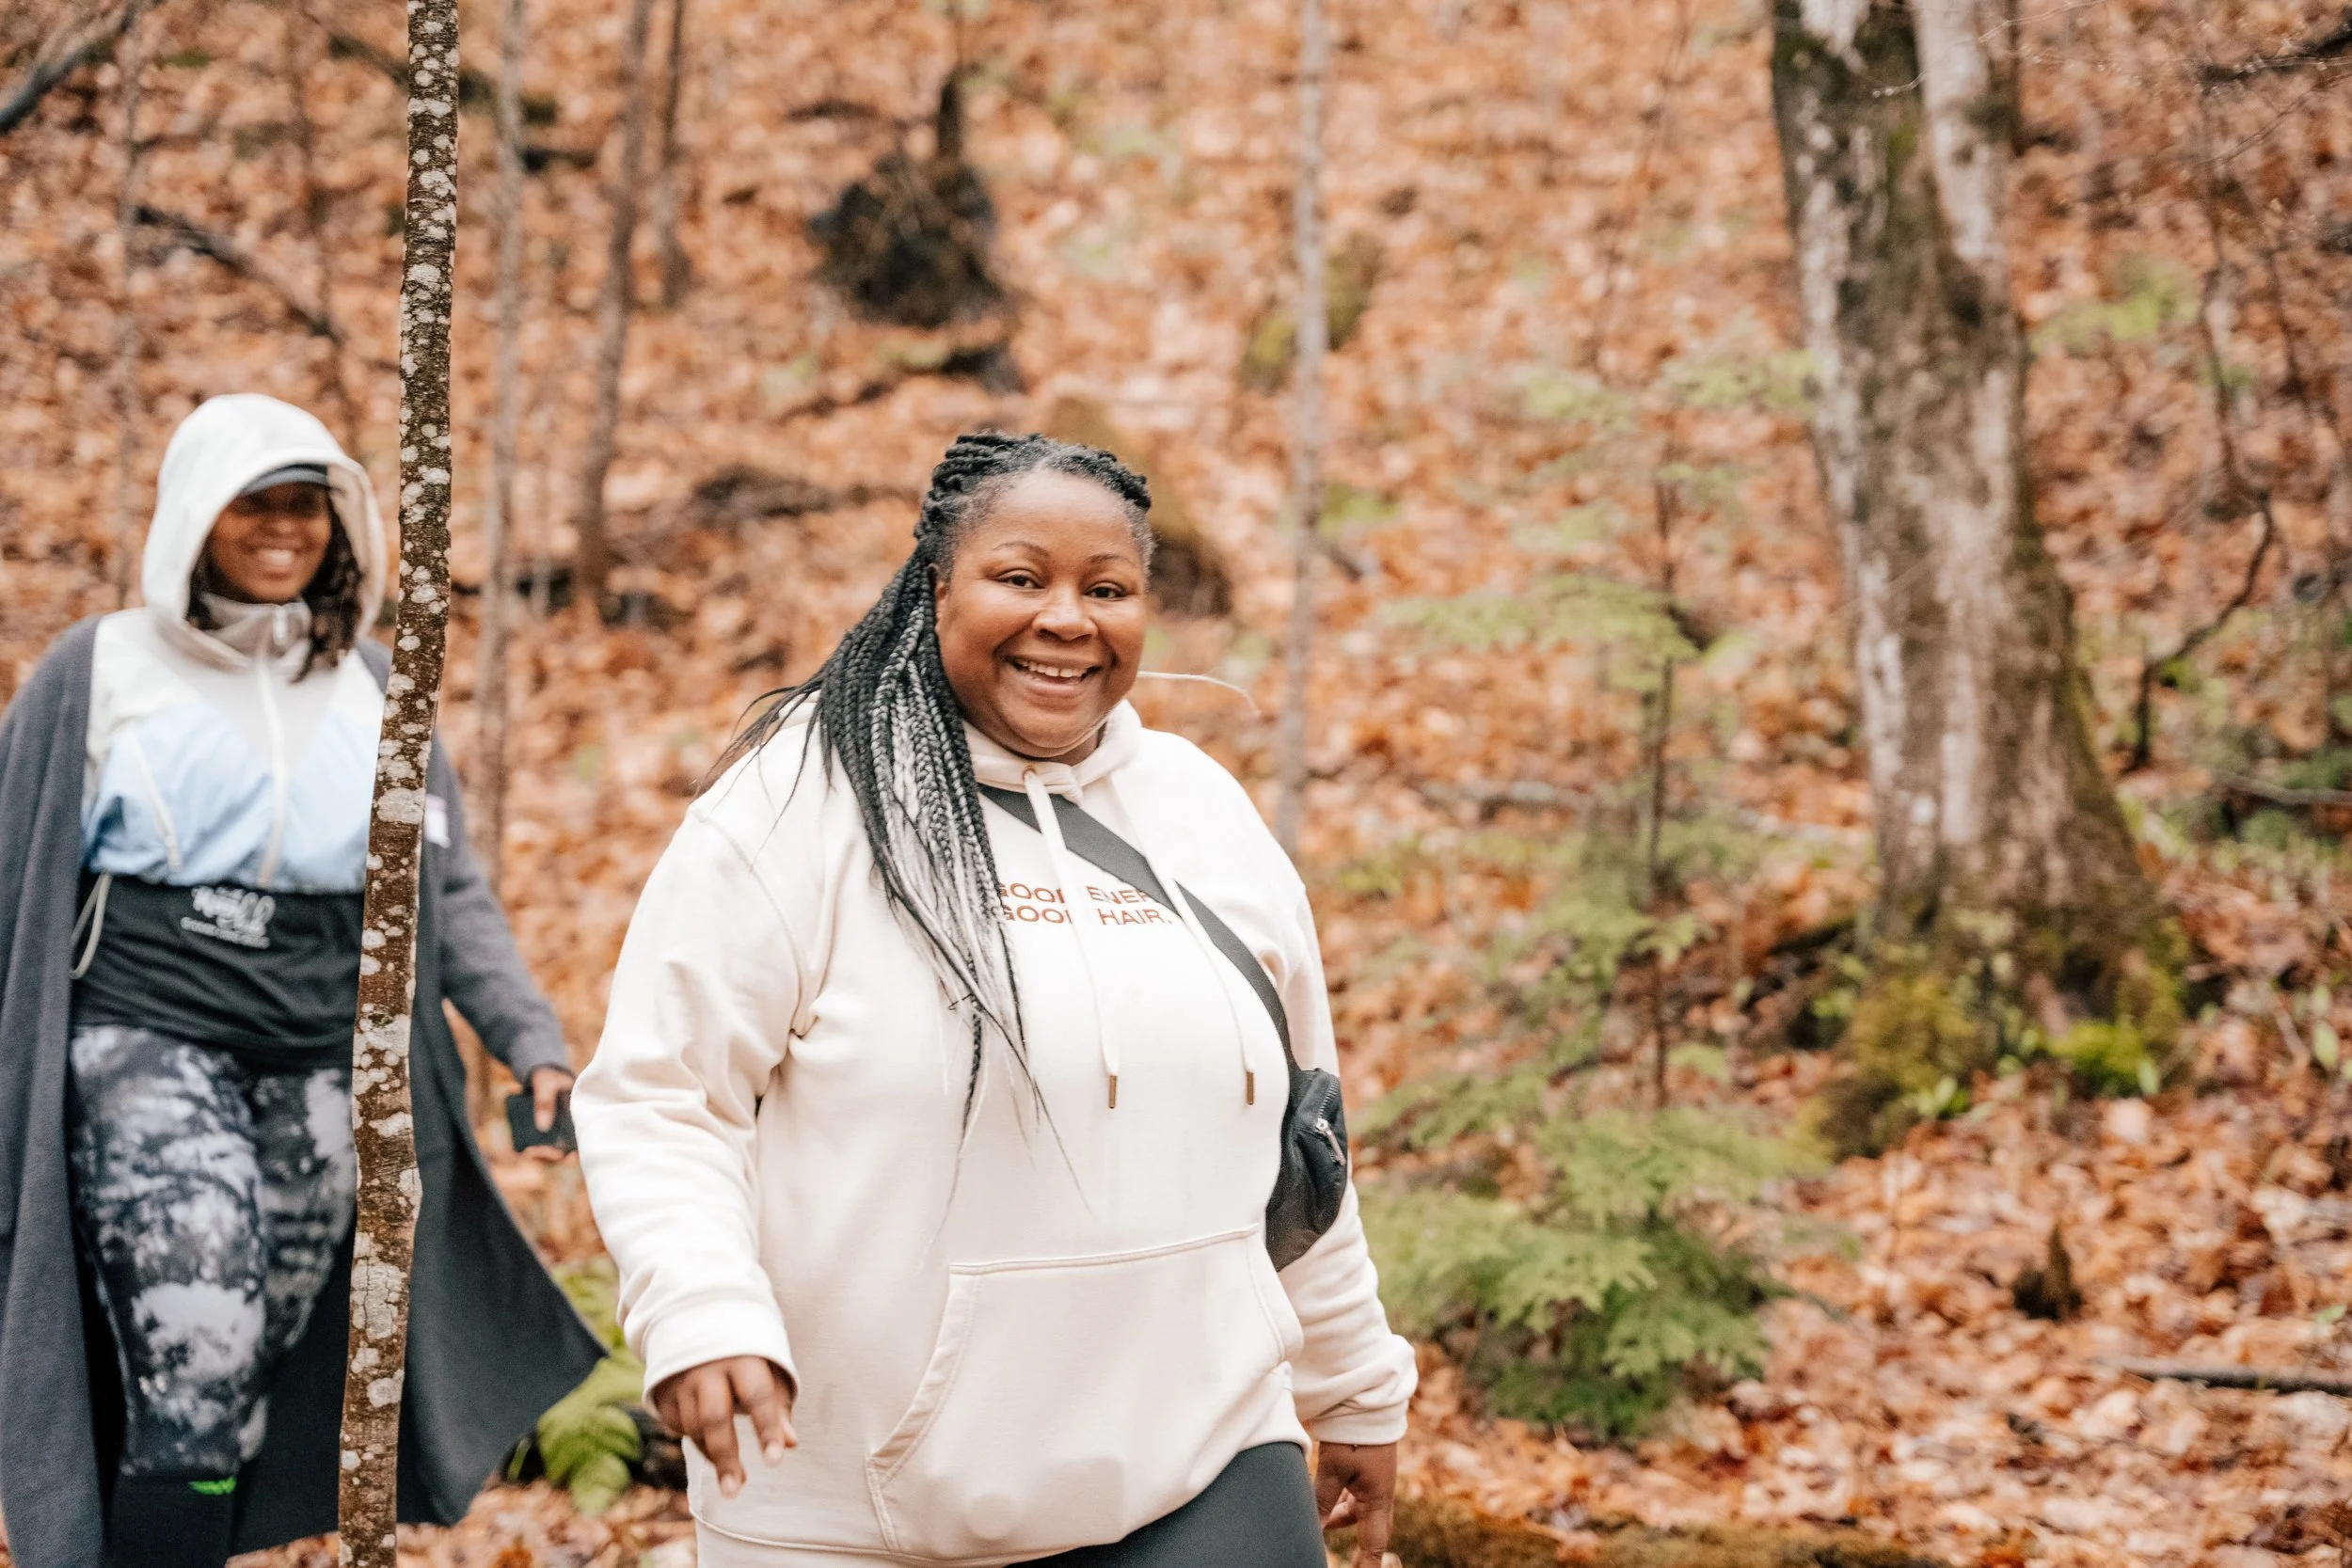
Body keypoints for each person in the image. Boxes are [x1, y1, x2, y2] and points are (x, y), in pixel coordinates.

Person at [574, 432, 1417, 1568]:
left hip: (1203, 1456)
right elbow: (663, 1098)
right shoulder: (798, 808)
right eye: (1020, 577)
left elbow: (1302, 1130)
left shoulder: (1201, 813)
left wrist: (1354, 1383)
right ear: (935, 586)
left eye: (1105, 588)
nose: (1066, 618)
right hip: (858, 1505)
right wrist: (700, 1308)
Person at [0, 393, 605, 1568]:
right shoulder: (100, 668)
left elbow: (448, 889)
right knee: (200, 1333)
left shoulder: (381, 685)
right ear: (193, 515)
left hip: (328, 1053)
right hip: (146, 1032)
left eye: (305, 506)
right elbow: (11, 864)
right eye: (252, 504)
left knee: (239, 1377)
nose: (283, 529)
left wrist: (529, 1035)